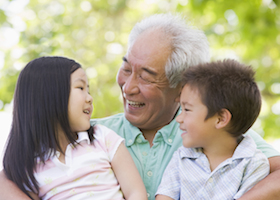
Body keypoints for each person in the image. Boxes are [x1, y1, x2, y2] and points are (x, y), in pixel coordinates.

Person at [0, 13, 280, 200]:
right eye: (126, 68)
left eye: (146, 76)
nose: (128, 86)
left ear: (181, 88)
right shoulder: (92, 136)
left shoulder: (207, 133)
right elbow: (12, 175)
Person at [2, 56, 147, 200]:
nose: (90, 98)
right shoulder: (29, 168)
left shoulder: (103, 138)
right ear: (51, 96)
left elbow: (136, 193)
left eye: (88, 90)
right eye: (80, 88)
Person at [155, 59, 270, 200]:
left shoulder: (254, 165)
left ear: (220, 119)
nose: (179, 118)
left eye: (187, 109)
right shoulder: (181, 157)